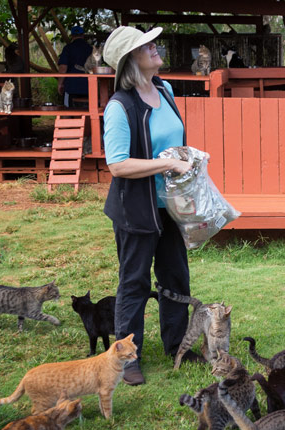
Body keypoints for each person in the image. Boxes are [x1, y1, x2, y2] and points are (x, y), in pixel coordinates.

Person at [101, 25, 200, 385]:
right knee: (135, 281)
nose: (155, 47)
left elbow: (171, 139)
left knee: (175, 276)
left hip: (170, 203)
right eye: (147, 46)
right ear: (131, 60)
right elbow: (117, 165)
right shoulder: (119, 106)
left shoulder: (164, 88)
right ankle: (127, 359)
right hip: (136, 208)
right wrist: (168, 164)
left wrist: (186, 158)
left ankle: (177, 347)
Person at [57, 26, 92, 107]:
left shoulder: (68, 48)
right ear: (83, 35)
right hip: (89, 85)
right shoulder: (90, 49)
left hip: (71, 86)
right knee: (87, 111)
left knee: (69, 111)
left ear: (72, 36)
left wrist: (60, 84)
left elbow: (63, 67)